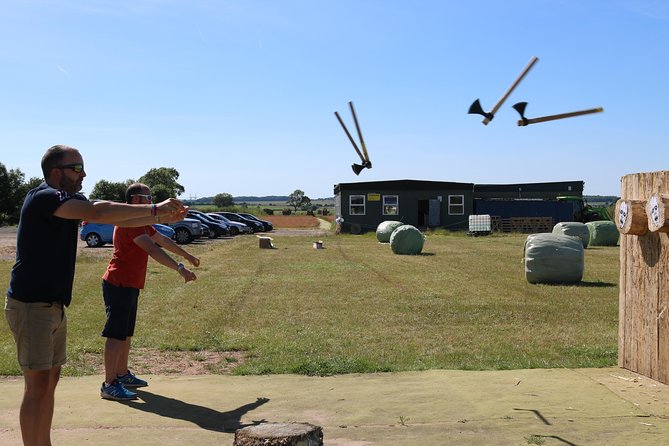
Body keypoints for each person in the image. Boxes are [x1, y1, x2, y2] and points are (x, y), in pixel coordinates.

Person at [4, 145, 188, 446]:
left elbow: (115, 216)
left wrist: (157, 216)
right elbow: (98, 211)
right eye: (76, 168)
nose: (84, 174)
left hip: (52, 306)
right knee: (36, 386)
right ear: (56, 172)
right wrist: (155, 210)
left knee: (49, 382)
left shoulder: (69, 200)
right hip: (30, 305)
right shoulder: (42, 198)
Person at [100, 182, 200, 401]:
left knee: (125, 333)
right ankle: (109, 384)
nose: (152, 202)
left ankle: (122, 374)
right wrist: (180, 269)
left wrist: (186, 255)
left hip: (130, 284)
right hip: (118, 283)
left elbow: (162, 240)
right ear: (135, 200)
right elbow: (153, 250)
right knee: (115, 334)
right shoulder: (129, 223)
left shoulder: (140, 221)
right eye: (148, 197)